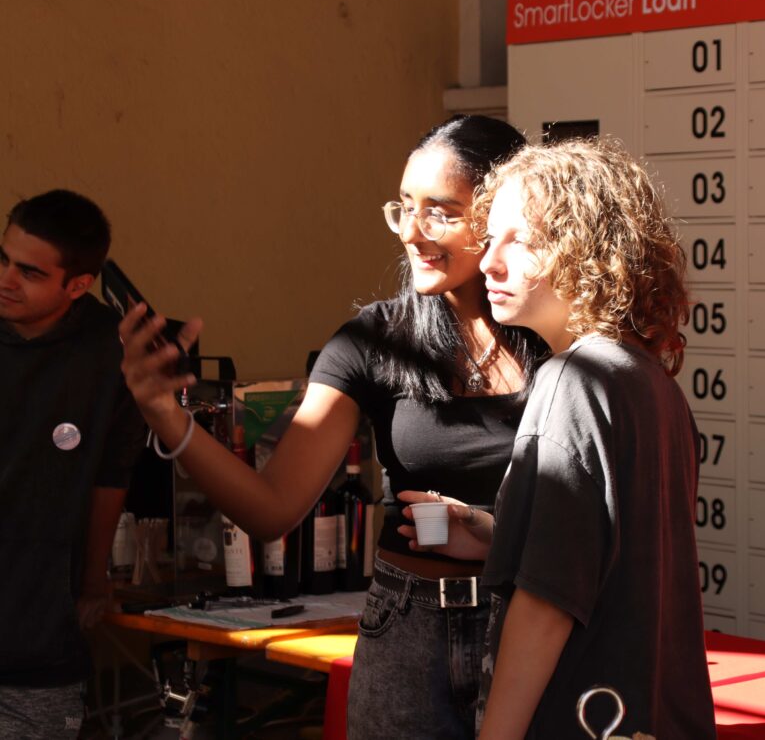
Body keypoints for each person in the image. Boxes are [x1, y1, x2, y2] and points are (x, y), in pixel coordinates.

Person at [119, 115, 544, 738]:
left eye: (440, 213)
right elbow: (270, 508)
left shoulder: (561, 338)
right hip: (408, 634)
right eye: (404, 208)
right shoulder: (374, 340)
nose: (413, 233)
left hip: (532, 625)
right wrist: (166, 415)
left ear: (503, 214)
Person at [398, 140, 717, 738]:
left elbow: (547, 605)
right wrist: (494, 533)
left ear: (588, 250)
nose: (489, 263)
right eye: (489, 238)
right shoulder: (650, 382)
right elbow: (610, 557)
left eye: (520, 240)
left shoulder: (573, 379)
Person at [0, 189, 147, 738]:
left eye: (30, 272)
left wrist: (93, 578)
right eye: (4, 259)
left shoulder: (110, 351)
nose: (6, 279)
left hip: (39, 640)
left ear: (78, 285)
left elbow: (113, 472)